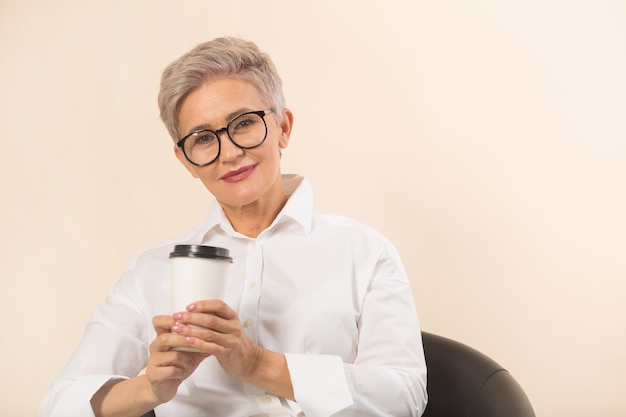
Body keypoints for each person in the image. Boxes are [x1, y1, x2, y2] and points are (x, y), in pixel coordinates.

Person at [39, 37, 427, 417]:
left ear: (283, 128)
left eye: (243, 123)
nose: (230, 152)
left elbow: (404, 397)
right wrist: (150, 387)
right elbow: (58, 407)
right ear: (185, 160)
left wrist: (256, 363)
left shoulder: (364, 251)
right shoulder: (150, 272)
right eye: (204, 138)